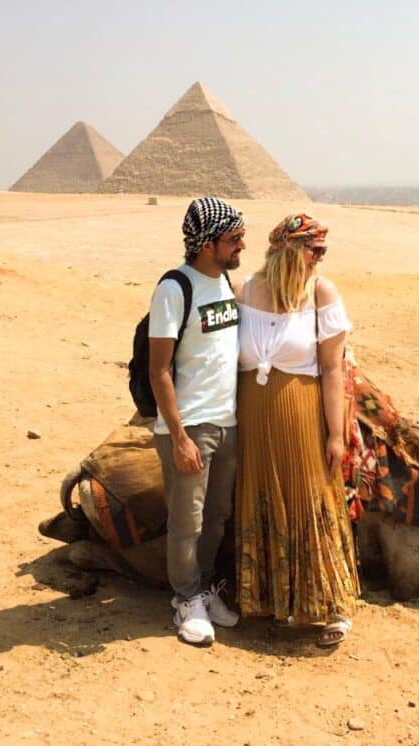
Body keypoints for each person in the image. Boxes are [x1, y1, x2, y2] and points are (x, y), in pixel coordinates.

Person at [234, 213, 360, 647]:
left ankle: (334, 605)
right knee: (261, 499)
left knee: (310, 500)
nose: (319, 260)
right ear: (289, 249)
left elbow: (330, 368)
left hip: (301, 415)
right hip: (253, 417)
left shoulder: (321, 293)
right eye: (314, 250)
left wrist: (336, 434)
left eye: (323, 251)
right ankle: (273, 602)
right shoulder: (243, 291)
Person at [148, 196, 244, 646]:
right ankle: (185, 599)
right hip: (191, 427)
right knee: (187, 522)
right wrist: (180, 436)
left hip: (228, 423)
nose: (241, 244)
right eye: (233, 238)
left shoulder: (226, 281)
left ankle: (205, 589)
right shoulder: (174, 288)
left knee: (219, 517)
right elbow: (159, 370)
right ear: (208, 244)